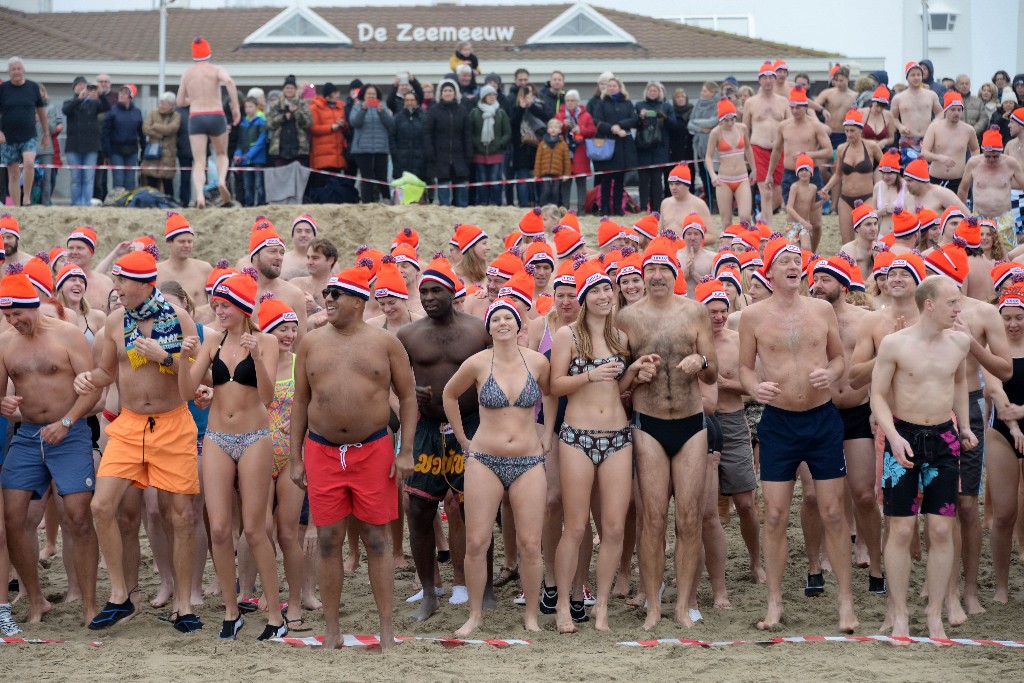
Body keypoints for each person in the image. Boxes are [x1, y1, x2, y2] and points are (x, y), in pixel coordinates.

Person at [73, 248, 201, 633]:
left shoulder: (180, 320)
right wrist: (86, 380)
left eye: (121, 282)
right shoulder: (115, 322)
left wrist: (165, 356)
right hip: (129, 425)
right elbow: (105, 372)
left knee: (180, 517)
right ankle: (120, 596)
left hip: (173, 423)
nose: (115, 288)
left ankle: (183, 605)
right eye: (114, 280)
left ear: (145, 284)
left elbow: (193, 384)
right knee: (101, 506)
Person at [738, 236, 858, 633]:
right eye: (785, 261)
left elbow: (840, 358)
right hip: (779, 422)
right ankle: (774, 604)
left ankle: (845, 603)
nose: (793, 266)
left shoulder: (822, 309)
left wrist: (833, 373)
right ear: (769, 272)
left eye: (797, 260)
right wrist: (755, 388)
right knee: (773, 515)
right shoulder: (753, 316)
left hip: (821, 420)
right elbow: (745, 369)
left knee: (834, 513)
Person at [177, 271, 287, 641]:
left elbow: (268, 397)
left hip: (256, 436)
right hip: (218, 438)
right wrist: (182, 357)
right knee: (221, 529)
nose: (217, 310)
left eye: (223, 304)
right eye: (215, 303)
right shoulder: (212, 339)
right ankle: (230, 610)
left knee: (255, 530)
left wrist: (256, 357)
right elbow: (187, 390)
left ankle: (275, 614)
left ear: (241, 306)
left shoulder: (266, 341)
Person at [616, 234, 717, 629]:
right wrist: (635, 373)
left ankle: (684, 604)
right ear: (642, 275)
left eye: (663, 269)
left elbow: (713, 372)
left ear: (675, 273)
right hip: (649, 424)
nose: (657, 275)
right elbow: (620, 382)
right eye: (650, 269)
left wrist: (700, 358)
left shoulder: (695, 312)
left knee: (689, 518)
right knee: (654, 519)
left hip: (691, 424)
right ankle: (654, 605)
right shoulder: (627, 317)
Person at [549, 260, 653, 632]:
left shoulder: (620, 337)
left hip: (618, 437)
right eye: (595, 291)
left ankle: (602, 607)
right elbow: (554, 385)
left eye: (608, 289)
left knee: (613, 528)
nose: (605, 295)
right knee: (575, 528)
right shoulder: (568, 337)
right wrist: (590, 374)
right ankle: (563, 604)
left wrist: (636, 373)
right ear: (582, 298)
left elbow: (619, 387)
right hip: (577, 436)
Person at [870, 275, 974, 640]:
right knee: (900, 529)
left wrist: (963, 427)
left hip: (944, 438)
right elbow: (878, 396)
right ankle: (899, 614)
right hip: (905, 438)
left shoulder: (960, 342)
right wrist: (893, 437)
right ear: (929, 304)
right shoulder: (894, 344)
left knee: (942, 528)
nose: (958, 309)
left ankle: (934, 615)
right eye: (952, 302)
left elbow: (959, 382)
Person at [442, 297, 552, 636]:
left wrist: (546, 435)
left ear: (519, 325)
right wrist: (463, 438)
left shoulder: (536, 362)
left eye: (509, 318)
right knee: (476, 542)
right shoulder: (477, 363)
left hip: (529, 459)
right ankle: (475, 615)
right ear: (488, 328)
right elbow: (449, 394)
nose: (503, 323)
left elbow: (551, 396)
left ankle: (531, 615)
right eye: (496, 319)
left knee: (531, 544)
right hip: (484, 459)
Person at [0, 268, 99, 625]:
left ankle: (89, 607)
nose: (13, 322)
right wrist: (4, 405)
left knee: (78, 517)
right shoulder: (5, 342)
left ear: (34, 306)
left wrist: (68, 422)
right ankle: (36, 600)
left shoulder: (69, 335)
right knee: (13, 518)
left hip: (69, 433)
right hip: (27, 435)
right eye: (6, 316)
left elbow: (94, 390)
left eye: (17, 314)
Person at [396, 256, 492, 621]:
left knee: (475, 507)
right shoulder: (407, 334)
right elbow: (394, 379)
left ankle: (482, 590)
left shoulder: (478, 330)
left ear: (453, 293)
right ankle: (428, 592)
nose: (429, 297)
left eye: (436, 290)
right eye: (423, 291)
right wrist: (410, 391)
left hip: (470, 426)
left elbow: (498, 368)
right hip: (426, 426)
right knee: (419, 509)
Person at [809, 255, 884, 592]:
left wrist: (876, 407)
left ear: (842, 284)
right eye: (816, 279)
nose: (818, 285)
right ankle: (825, 552)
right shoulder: (809, 318)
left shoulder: (866, 320)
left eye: (825, 279)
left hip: (858, 411)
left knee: (864, 494)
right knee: (823, 492)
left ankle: (870, 551)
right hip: (821, 411)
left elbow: (885, 364)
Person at [702, 279, 764, 583]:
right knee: (702, 505)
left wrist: (726, 385)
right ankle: (701, 565)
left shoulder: (738, 341)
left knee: (745, 502)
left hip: (733, 421)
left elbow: (755, 388)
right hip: (700, 426)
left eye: (722, 310)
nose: (717, 317)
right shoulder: (691, 342)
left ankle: (755, 562)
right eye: (711, 311)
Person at [983, 286, 1024, 604]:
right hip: (1001, 431)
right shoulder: (994, 348)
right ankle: (1000, 586)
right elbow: (994, 387)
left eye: (1019, 318)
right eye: (1007, 318)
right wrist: (1013, 423)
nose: (1012, 324)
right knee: (1005, 513)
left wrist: (1022, 412)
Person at [177, 37, 240, 208]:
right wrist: (235, 107)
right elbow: (229, 81)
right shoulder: (216, 69)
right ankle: (221, 181)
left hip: (196, 116)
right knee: (221, 154)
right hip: (216, 114)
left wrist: (195, 100)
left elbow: (180, 101)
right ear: (208, 53)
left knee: (199, 161)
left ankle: (199, 196)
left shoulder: (187, 73)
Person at [766, 86, 833, 231]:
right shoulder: (784, 126)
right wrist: (769, 174)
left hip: (811, 174)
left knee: (815, 222)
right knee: (792, 220)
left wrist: (809, 154)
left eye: (798, 108)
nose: (795, 111)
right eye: (792, 107)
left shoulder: (815, 126)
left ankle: (812, 252)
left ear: (806, 107)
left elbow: (828, 151)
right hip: (790, 174)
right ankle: (794, 251)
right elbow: (777, 150)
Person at [820, 109, 883, 244]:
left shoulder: (872, 147)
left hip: (867, 196)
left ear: (860, 130)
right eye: (846, 131)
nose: (849, 134)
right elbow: (838, 175)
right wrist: (826, 188)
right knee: (847, 241)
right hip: (846, 199)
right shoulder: (842, 148)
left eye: (852, 130)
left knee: (869, 239)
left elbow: (887, 166)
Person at [959, 129, 1024, 248]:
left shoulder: (1010, 163)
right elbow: (963, 190)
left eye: (995, 156)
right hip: (979, 218)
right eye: (988, 156)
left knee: (1008, 257)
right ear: (983, 151)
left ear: (1001, 152)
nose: (991, 160)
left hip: (1004, 218)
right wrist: (962, 214)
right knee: (978, 254)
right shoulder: (974, 163)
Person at [743, 62, 791, 219]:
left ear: (775, 79)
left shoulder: (783, 101)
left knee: (778, 193)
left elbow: (791, 126)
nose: (768, 81)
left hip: (779, 150)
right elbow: (744, 130)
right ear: (759, 80)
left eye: (771, 77)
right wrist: (746, 155)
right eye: (765, 77)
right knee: (766, 192)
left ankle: (762, 219)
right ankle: (767, 232)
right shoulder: (751, 102)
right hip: (759, 149)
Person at [0, 57, 48, 207]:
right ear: (9, 72)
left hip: (29, 135)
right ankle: (16, 206)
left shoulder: (33, 87)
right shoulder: (3, 89)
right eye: (13, 69)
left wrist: (46, 133)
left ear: (23, 71)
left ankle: (26, 198)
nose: (16, 72)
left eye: (18, 69)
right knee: (13, 173)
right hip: (8, 137)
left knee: (29, 162)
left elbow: (41, 111)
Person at [705, 98, 756, 230]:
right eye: (726, 120)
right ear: (720, 120)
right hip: (724, 180)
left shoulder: (742, 128)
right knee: (726, 221)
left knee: (745, 218)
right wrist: (712, 175)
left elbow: (748, 149)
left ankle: (747, 245)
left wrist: (754, 170)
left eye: (732, 119)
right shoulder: (716, 133)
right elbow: (708, 156)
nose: (730, 123)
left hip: (742, 177)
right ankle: (728, 247)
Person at [590, 78, 638, 217]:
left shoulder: (627, 103)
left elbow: (634, 119)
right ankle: (604, 209)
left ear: (619, 87)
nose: (611, 88)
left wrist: (621, 125)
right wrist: (613, 129)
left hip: (623, 146)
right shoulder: (601, 103)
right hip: (608, 146)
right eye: (609, 86)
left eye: (614, 86)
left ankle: (618, 208)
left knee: (619, 180)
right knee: (606, 180)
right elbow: (597, 121)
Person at [63, 76, 110, 206]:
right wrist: (79, 99)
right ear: (74, 88)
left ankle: (86, 204)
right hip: (73, 147)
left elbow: (107, 108)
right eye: (78, 85)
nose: (81, 87)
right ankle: (76, 204)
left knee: (89, 179)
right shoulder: (69, 103)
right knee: (76, 178)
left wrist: (101, 93)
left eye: (84, 85)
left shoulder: (94, 103)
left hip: (91, 147)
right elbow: (66, 111)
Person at [921, 92, 980, 196]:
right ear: (945, 110)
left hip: (959, 181)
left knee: (958, 212)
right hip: (935, 180)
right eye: (952, 109)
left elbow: (975, 150)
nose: (956, 113)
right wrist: (939, 157)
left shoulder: (968, 130)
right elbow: (924, 153)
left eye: (959, 109)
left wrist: (970, 167)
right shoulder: (934, 127)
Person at [424, 80, 473, 207]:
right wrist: (430, 151)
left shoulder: (462, 110)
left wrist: (469, 153)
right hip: (440, 156)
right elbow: (428, 133)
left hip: (459, 156)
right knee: (443, 185)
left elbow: (467, 134)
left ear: (455, 93)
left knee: (461, 186)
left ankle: (462, 210)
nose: (447, 93)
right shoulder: (434, 111)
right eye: (445, 90)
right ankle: (444, 209)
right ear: (441, 93)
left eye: (450, 90)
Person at [891, 61, 942, 165]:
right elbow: (892, 117)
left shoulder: (931, 95)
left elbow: (940, 112)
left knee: (927, 173)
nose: (916, 77)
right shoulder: (898, 98)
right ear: (907, 77)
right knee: (910, 173)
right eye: (913, 75)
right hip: (908, 140)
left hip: (928, 138)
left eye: (919, 74)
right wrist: (900, 126)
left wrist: (935, 122)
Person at [634, 82, 675, 213]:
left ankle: (657, 208)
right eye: (650, 90)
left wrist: (663, 117)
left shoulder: (666, 106)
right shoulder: (639, 105)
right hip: (643, 146)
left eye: (655, 91)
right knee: (643, 179)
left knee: (657, 180)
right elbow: (634, 123)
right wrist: (640, 117)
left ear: (660, 92)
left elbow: (674, 125)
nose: (652, 93)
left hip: (660, 147)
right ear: (646, 92)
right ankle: (642, 207)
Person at [350, 84, 394, 204]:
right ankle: (366, 203)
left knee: (382, 177)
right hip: (362, 149)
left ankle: (386, 200)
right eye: (368, 94)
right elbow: (354, 122)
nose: (371, 96)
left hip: (381, 148)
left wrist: (382, 113)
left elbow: (390, 124)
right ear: (363, 95)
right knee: (366, 177)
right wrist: (363, 110)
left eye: (373, 94)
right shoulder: (357, 107)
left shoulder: (382, 107)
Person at [156, 213, 213, 305]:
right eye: (181, 241)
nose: (187, 245)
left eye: (190, 241)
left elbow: (214, 304)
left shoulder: (204, 269)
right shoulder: (156, 271)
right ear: (169, 242)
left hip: (197, 318)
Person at [469, 85, 511, 207]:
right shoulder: (475, 113)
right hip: (480, 152)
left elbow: (507, 132)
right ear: (483, 97)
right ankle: (483, 202)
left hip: (496, 152)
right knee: (482, 179)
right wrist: (476, 143)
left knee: (495, 180)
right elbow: (471, 132)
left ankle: (496, 203)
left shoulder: (501, 113)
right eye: (490, 95)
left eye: (494, 95)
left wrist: (500, 143)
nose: (493, 97)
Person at [556, 90, 596, 214]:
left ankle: (581, 210)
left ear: (578, 102)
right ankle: (565, 211)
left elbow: (593, 131)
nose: (570, 103)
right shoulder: (560, 115)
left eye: (572, 100)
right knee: (565, 183)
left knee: (581, 183)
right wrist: (562, 126)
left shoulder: (586, 115)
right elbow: (553, 129)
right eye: (567, 100)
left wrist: (581, 129)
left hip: (581, 153)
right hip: (565, 152)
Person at [267, 74, 312, 170]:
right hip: (280, 149)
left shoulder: (302, 104)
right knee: (282, 179)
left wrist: (296, 112)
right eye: (287, 88)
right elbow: (269, 124)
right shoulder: (276, 105)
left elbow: (308, 123)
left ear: (295, 90)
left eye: (292, 88)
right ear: (283, 89)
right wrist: (283, 117)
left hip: (298, 149)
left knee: (297, 179)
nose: (289, 90)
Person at [65, 226, 114, 311]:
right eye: (71, 248)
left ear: (92, 252)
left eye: (80, 248)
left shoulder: (106, 283)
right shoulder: (57, 282)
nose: (74, 252)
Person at [141, 92, 181, 197]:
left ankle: (169, 203)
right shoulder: (153, 113)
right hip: (153, 154)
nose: (161, 106)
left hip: (168, 155)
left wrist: (155, 126)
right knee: (151, 183)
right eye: (160, 103)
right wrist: (161, 136)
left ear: (171, 105)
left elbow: (171, 129)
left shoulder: (176, 116)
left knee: (167, 183)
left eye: (164, 104)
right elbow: (146, 128)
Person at [233, 96, 268, 207]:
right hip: (245, 159)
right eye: (246, 107)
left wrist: (249, 155)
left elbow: (261, 141)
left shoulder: (261, 122)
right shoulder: (243, 123)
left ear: (256, 107)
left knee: (259, 184)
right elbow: (240, 141)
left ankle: (261, 204)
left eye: (251, 106)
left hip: (257, 158)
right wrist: (237, 154)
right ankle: (249, 204)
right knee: (247, 184)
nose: (248, 109)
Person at [659, 163, 713, 234]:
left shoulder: (699, 205)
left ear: (687, 185)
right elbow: (659, 232)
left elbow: (711, 235)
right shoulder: (665, 203)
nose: (673, 188)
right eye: (671, 184)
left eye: (677, 184)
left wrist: (688, 241)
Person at [784, 154, 823, 250]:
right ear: (797, 172)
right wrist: (802, 221)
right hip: (792, 224)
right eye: (801, 170)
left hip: (805, 223)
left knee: (806, 247)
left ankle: (807, 263)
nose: (804, 172)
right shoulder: (795, 187)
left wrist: (824, 200)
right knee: (795, 249)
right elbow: (789, 207)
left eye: (807, 170)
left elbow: (812, 207)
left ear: (811, 172)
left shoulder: (813, 188)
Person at [389, 90, 428, 184]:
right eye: (407, 100)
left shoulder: (424, 117)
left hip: (419, 160)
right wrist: (395, 153)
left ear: (417, 101)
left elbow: (427, 137)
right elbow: (391, 137)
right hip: (401, 160)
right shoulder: (397, 118)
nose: (409, 102)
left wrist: (424, 153)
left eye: (412, 100)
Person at [534, 118, 571, 207]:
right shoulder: (542, 144)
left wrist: (566, 173)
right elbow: (538, 160)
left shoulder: (563, 144)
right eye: (551, 127)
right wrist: (537, 174)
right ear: (547, 130)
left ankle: (555, 210)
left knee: (555, 192)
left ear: (559, 130)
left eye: (555, 127)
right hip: (545, 173)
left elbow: (566, 160)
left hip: (557, 173)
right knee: (545, 191)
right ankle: (542, 209)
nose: (553, 129)